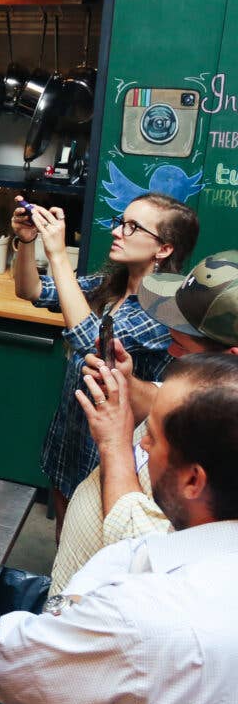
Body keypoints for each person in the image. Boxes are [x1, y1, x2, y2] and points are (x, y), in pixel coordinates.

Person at [0, 353, 238, 704]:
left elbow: (12, 668)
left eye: (151, 435)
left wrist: (71, 601)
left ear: (193, 481)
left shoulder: (137, 612)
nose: (143, 446)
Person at [49, 249, 238, 592]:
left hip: (118, 611)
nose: (170, 352)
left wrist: (114, 445)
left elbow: (153, 551)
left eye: (180, 346)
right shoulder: (214, 393)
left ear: (230, 360)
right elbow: (161, 395)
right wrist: (126, 380)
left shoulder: (222, 444)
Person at [11, 193, 198, 534]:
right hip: (71, 437)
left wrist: (57, 252)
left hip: (111, 454)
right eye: (120, 222)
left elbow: (92, 343)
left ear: (164, 249)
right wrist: (28, 242)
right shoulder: (110, 285)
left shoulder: (166, 307)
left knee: (92, 546)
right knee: (64, 543)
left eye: (132, 227)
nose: (117, 232)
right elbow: (32, 290)